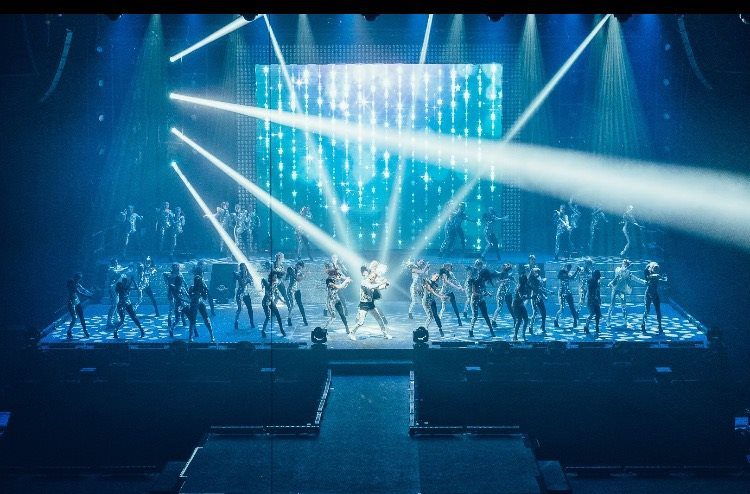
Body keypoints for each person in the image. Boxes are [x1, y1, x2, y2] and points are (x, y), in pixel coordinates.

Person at [349, 264, 393, 341]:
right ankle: (352, 333)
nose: (371, 278)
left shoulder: (372, 283)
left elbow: (379, 287)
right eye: (371, 276)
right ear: (369, 275)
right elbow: (370, 287)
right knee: (361, 322)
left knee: (379, 319)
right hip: (364, 305)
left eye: (373, 277)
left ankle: (385, 334)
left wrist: (386, 284)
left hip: (371, 304)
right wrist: (381, 283)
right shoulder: (364, 282)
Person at [606, 258, 644, 329]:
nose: (626, 266)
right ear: (622, 264)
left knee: (623, 306)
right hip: (615, 289)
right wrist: (627, 268)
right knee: (612, 305)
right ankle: (608, 320)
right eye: (625, 264)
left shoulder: (628, 273)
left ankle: (625, 321)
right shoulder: (618, 269)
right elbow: (620, 272)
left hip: (622, 291)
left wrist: (644, 282)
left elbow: (636, 279)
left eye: (627, 265)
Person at [113, 273, 145, 338]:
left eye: (125, 282)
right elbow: (123, 289)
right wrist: (131, 281)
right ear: (122, 282)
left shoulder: (127, 287)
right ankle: (115, 331)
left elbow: (136, 288)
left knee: (134, 317)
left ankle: (141, 330)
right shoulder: (119, 287)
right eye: (124, 282)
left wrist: (133, 281)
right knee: (122, 320)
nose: (125, 283)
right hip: (121, 304)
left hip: (128, 304)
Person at [468, 268, 496, 338]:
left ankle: (491, 330)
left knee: (486, 315)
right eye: (485, 278)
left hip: (481, 300)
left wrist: (488, 293)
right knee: (475, 316)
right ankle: (471, 330)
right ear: (482, 276)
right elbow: (474, 292)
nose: (486, 279)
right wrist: (481, 294)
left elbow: (484, 290)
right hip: (474, 300)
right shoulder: (475, 281)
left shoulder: (483, 281)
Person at [322, 267, 352, 334]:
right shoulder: (329, 281)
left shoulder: (335, 279)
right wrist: (346, 281)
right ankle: (324, 328)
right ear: (332, 275)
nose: (338, 277)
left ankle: (347, 327)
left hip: (336, 300)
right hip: (330, 301)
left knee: (342, 314)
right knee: (333, 317)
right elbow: (339, 287)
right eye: (336, 275)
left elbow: (343, 286)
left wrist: (347, 281)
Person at [642, 261, 667, 334]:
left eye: (657, 270)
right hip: (649, 293)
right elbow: (648, 277)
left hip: (655, 294)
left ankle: (660, 326)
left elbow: (664, 279)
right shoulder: (648, 274)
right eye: (655, 269)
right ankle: (643, 325)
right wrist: (656, 276)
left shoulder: (657, 274)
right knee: (647, 310)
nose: (657, 271)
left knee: (658, 310)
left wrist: (661, 277)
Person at [65, 272, 93, 338]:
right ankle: (69, 331)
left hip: (77, 301)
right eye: (78, 278)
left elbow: (83, 289)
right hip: (71, 303)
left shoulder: (76, 283)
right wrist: (88, 296)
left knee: (81, 317)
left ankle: (85, 331)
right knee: (74, 318)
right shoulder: (71, 283)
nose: (79, 280)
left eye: (80, 279)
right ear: (76, 278)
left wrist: (90, 293)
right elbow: (79, 292)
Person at [188, 275, 215, 343]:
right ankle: (190, 337)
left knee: (205, 319)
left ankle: (212, 336)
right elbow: (190, 297)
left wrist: (204, 291)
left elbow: (205, 297)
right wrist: (196, 295)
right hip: (194, 304)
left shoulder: (202, 287)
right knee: (193, 320)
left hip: (199, 303)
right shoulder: (192, 287)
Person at [554, 263, 581, 329]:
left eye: (570, 268)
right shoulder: (561, 272)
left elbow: (572, 278)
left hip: (568, 292)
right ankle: (556, 320)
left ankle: (575, 321)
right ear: (565, 267)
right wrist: (567, 273)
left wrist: (577, 271)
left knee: (572, 307)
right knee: (562, 308)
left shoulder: (569, 273)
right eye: (568, 268)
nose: (569, 269)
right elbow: (559, 276)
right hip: (561, 292)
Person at [261, 271, 286, 338]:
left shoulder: (275, 285)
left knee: (278, 315)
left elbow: (277, 295)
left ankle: (282, 330)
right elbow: (267, 294)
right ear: (271, 277)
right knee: (268, 317)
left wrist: (282, 301)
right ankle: (263, 331)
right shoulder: (268, 284)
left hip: (271, 301)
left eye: (276, 277)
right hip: (265, 302)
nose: (275, 278)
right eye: (274, 277)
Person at [423, 271, 447, 337]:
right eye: (436, 276)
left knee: (436, 315)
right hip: (426, 301)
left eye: (438, 277)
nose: (437, 278)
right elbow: (431, 291)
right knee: (430, 317)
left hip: (432, 301)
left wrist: (442, 296)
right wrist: (440, 296)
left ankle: (440, 328)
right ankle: (425, 330)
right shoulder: (427, 282)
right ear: (432, 275)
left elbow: (436, 292)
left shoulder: (436, 284)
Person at [492, 263, 516, 329]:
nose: (506, 267)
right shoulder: (502, 273)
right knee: (499, 307)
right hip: (501, 292)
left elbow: (514, 282)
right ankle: (493, 321)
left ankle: (515, 320)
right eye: (505, 266)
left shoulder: (509, 275)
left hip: (508, 292)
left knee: (510, 307)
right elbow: (497, 282)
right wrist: (504, 280)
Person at [164, 263, 188, 329]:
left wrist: (186, 290)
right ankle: (170, 322)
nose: (176, 268)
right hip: (172, 292)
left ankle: (182, 321)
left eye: (176, 267)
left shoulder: (179, 274)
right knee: (172, 307)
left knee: (180, 306)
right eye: (174, 267)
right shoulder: (169, 274)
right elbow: (167, 282)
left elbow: (184, 283)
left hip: (178, 291)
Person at [106, 258, 128, 328]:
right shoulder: (111, 269)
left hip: (118, 287)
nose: (116, 263)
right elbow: (117, 274)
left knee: (116, 304)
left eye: (116, 262)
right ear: (112, 263)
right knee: (114, 305)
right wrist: (125, 269)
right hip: (113, 288)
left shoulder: (118, 267)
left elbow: (121, 272)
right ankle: (109, 322)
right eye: (114, 262)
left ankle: (116, 319)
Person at [233, 263, 256, 330]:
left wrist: (249, 280)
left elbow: (251, 283)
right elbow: (236, 280)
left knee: (250, 308)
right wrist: (236, 276)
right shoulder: (239, 274)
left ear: (246, 268)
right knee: (239, 308)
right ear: (240, 268)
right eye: (242, 268)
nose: (243, 269)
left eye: (244, 267)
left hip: (246, 293)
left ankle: (251, 322)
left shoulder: (247, 275)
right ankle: (236, 322)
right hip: (240, 293)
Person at [286, 261, 308, 327]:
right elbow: (297, 279)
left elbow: (299, 279)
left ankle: (304, 319)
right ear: (296, 265)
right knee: (293, 305)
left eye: (300, 268)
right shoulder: (291, 269)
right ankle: (289, 319)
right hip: (291, 290)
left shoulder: (300, 272)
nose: (299, 269)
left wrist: (302, 275)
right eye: (298, 267)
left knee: (300, 305)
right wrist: (304, 275)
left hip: (297, 290)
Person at [528, 266, 550, 335]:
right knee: (535, 312)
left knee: (544, 312)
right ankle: (531, 327)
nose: (537, 273)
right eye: (536, 272)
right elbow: (538, 289)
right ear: (533, 273)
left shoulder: (539, 278)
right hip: (534, 297)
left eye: (538, 272)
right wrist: (544, 296)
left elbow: (541, 288)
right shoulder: (532, 280)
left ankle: (542, 327)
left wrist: (548, 292)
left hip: (539, 297)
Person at [167, 273, 190, 338]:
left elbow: (187, 295)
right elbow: (178, 298)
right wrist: (187, 300)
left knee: (185, 318)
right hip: (180, 306)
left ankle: (194, 331)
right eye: (181, 281)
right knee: (178, 319)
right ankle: (171, 329)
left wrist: (190, 299)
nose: (181, 282)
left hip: (182, 305)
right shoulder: (174, 288)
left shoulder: (181, 288)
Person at [512, 274, 532, 341]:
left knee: (526, 319)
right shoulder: (520, 286)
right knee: (519, 320)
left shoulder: (525, 285)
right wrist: (530, 297)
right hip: (516, 305)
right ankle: (515, 336)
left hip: (521, 304)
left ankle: (523, 335)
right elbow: (522, 297)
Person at [583, 269, 602, 336]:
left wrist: (599, 299)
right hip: (590, 299)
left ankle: (597, 327)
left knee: (598, 314)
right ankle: (586, 326)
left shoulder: (597, 281)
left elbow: (598, 291)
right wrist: (592, 299)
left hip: (595, 299)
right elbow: (589, 292)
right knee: (592, 313)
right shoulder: (590, 281)